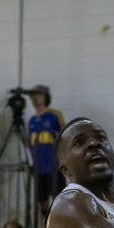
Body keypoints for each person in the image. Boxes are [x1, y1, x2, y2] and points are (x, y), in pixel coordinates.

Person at [27, 84, 65, 213]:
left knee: (58, 202)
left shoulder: (54, 115)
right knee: (42, 204)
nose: (35, 98)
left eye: (38, 95)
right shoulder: (32, 120)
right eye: (32, 96)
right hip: (39, 167)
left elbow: (64, 137)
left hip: (54, 166)